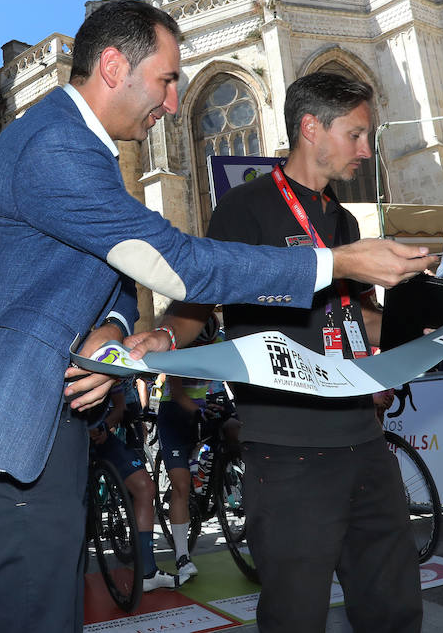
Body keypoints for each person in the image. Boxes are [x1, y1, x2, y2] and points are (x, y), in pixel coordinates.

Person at [0, 0, 432, 633]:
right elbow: (177, 266)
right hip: (8, 442)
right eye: (168, 80)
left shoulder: (81, 147)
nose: (172, 103)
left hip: (38, 435)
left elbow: (108, 275)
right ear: (114, 66)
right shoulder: (56, 145)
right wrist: (336, 264)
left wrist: (114, 328)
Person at [159, 71, 422, 632]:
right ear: (310, 128)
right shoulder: (246, 208)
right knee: (296, 615)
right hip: (288, 449)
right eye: (353, 134)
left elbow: (359, 318)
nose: (363, 148)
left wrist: (431, 306)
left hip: (365, 441)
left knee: (393, 607)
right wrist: (159, 341)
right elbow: (205, 296)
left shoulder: (345, 219)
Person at [154, 315, 235, 585]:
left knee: (237, 429)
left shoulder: (220, 340)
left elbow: (232, 378)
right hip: (175, 412)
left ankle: (227, 476)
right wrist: (199, 411)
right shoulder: (179, 348)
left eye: (210, 344)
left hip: (204, 402)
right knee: (181, 485)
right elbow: (177, 394)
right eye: (201, 346)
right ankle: (182, 556)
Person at [88, 376, 178, 590]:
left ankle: (148, 571)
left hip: (99, 432)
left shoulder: (107, 358)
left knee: (145, 487)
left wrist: (104, 426)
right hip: (68, 434)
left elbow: (119, 407)